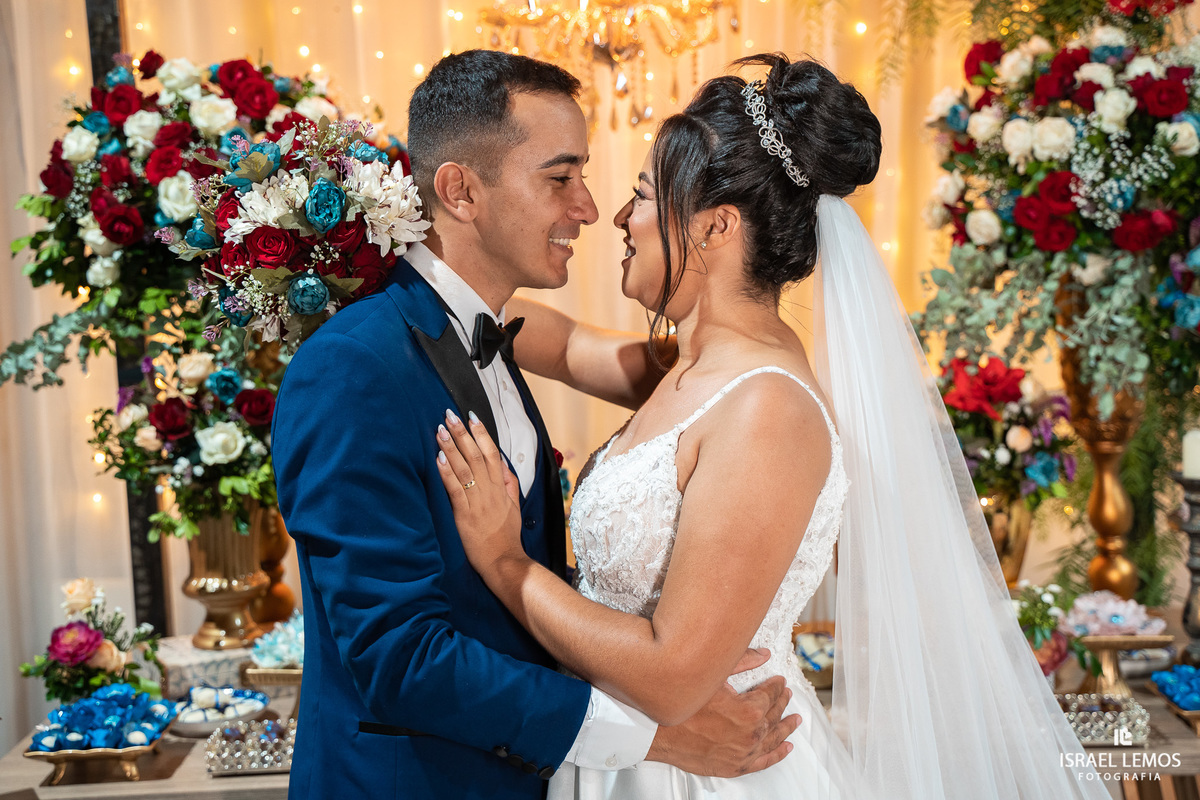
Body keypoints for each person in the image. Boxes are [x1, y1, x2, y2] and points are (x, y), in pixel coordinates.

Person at [432, 54, 1110, 799]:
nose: (619, 219)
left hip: (705, 775)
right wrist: (391, 251)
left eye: (643, 196)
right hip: (619, 756)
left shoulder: (768, 410)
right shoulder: (687, 368)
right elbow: (555, 344)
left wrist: (506, 564)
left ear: (716, 226)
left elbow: (671, 675)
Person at [270, 50, 799, 800]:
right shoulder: (353, 368)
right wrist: (659, 736)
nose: (589, 208)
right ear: (460, 191)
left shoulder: (492, 336)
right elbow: (397, 658)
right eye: (559, 178)